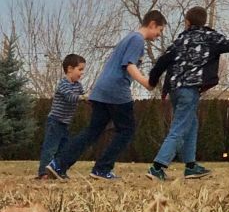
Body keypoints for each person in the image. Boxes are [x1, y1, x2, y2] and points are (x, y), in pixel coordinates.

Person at [146, 6, 229, 181]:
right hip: (190, 89)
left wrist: (152, 79)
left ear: (187, 22)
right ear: (204, 22)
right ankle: (157, 167)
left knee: (191, 124)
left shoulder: (181, 39)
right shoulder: (210, 38)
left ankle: (191, 166)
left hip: (175, 89)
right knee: (180, 127)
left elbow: (163, 60)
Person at [47, 9, 167, 181]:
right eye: (159, 30)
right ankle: (102, 169)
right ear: (152, 24)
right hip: (116, 90)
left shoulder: (128, 38)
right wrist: (146, 82)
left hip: (101, 89)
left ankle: (58, 164)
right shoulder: (137, 39)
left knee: (92, 131)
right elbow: (129, 65)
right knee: (127, 130)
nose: (158, 35)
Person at [37, 54, 86, 180]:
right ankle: (43, 173)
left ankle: (58, 170)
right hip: (55, 121)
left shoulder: (78, 86)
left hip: (65, 123)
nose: (82, 73)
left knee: (63, 148)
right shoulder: (63, 84)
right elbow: (70, 97)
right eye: (80, 69)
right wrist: (83, 98)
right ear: (70, 69)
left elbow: (84, 96)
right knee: (50, 148)